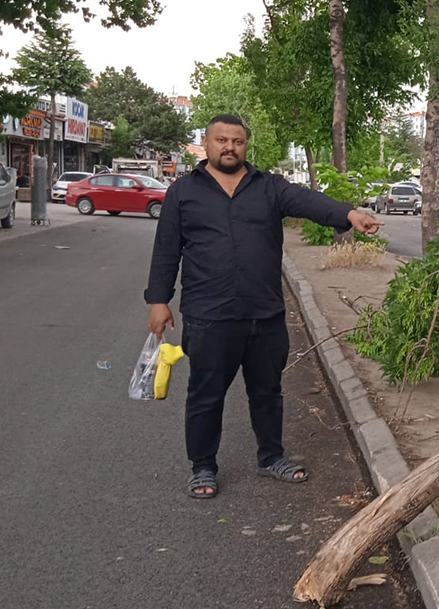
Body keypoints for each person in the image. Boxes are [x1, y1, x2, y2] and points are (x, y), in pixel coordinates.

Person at [144, 113, 382, 499]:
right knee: (205, 395)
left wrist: (349, 214)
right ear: (206, 144)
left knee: (267, 391)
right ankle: (202, 466)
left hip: (264, 314)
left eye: (236, 141)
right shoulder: (184, 192)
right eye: (221, 140)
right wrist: (158, 300)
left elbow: (307, 201)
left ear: (245, 146)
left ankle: (271, 457)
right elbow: (166, 250)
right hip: (209, 315)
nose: (229, 147)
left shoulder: (268, 187)